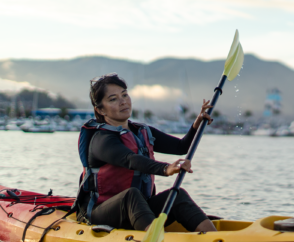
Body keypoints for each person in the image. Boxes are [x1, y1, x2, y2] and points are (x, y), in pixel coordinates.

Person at [73, 72, 217, 233]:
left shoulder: (142, 131)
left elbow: (181, 147)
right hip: (99, 213)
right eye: (113, 99)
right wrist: (165, 168)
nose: (123, 102)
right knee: (132, 195)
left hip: (136, 210)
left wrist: (197, 125)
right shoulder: (101, 140)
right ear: (100, 110)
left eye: (125, 95)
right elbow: (130, 160)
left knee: (177, 195)